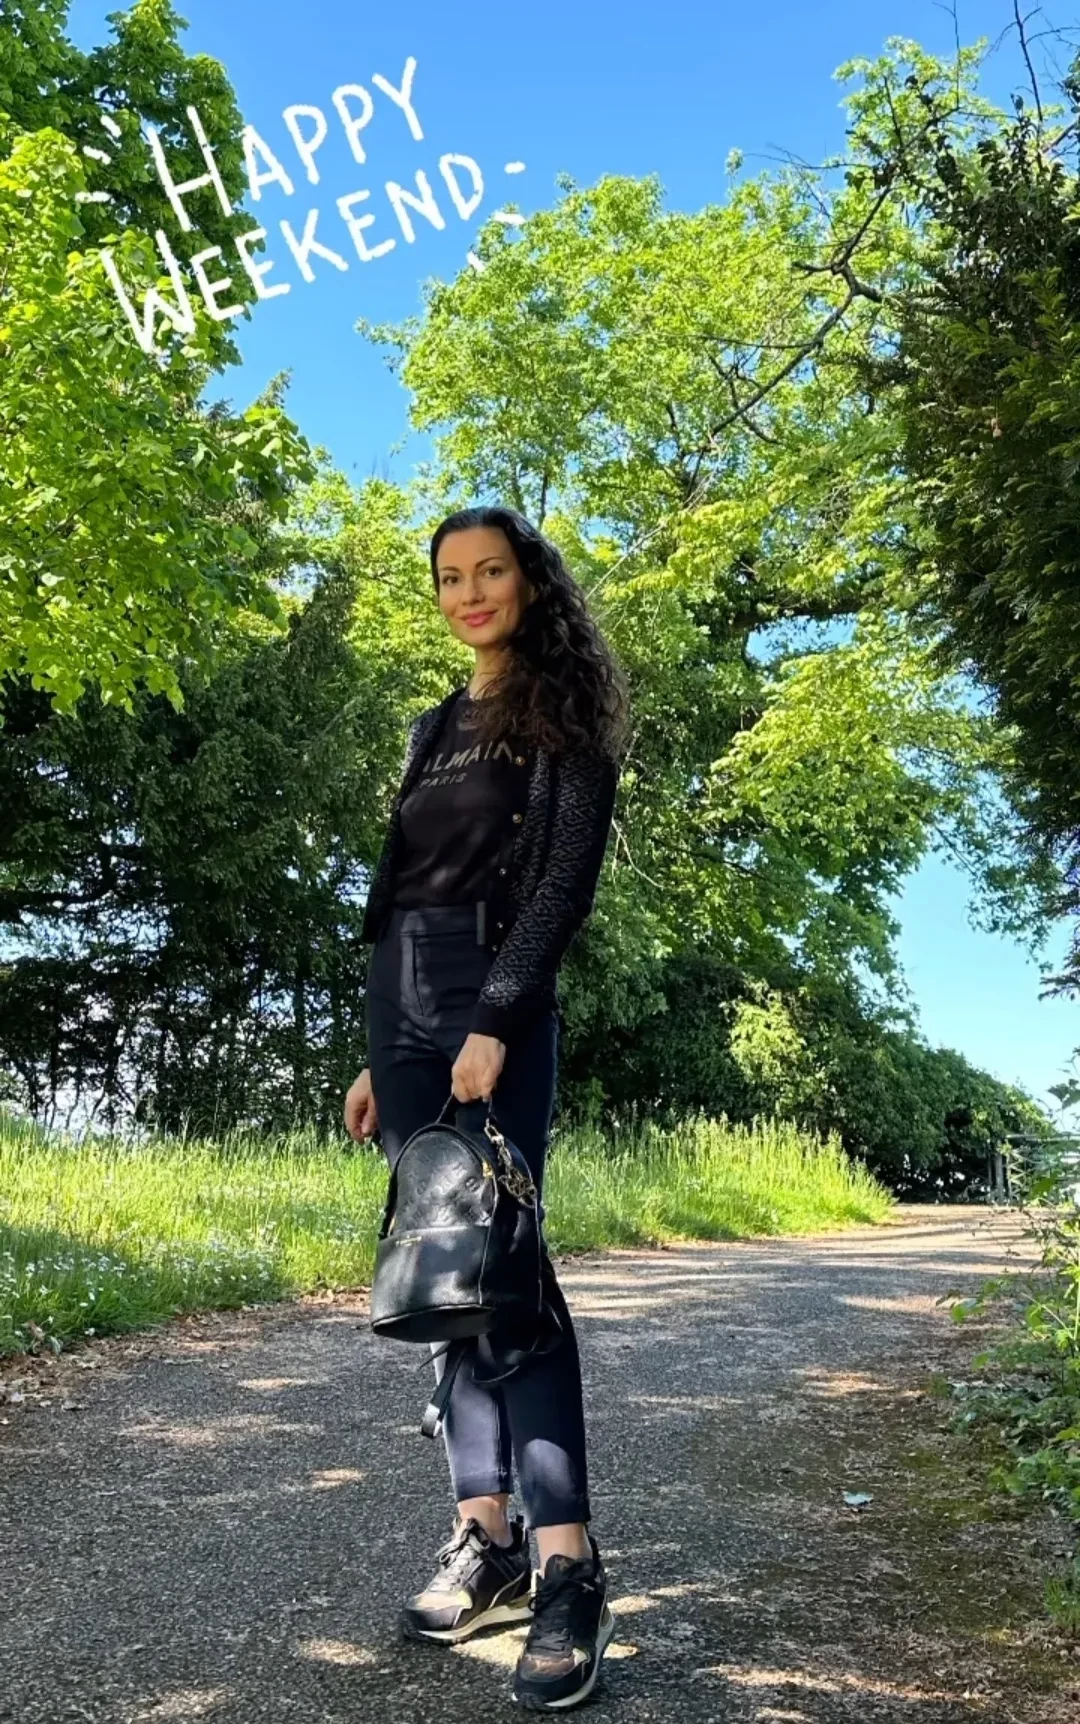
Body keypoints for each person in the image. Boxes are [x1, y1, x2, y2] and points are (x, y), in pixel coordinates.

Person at [344, 504, 628, 1712]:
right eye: (451, 576)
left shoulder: (562, 712)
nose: (469, 593)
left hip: (489, 995)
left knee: (508, 1276)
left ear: (529, 582)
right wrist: (376, 1050)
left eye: (490, 571)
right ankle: (487, 1535)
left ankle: (568, 1567)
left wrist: (498, 1013)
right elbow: (400, 883)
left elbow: (562, 879)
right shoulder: (432, 725)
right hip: (402, 1007)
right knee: (443, 1275)